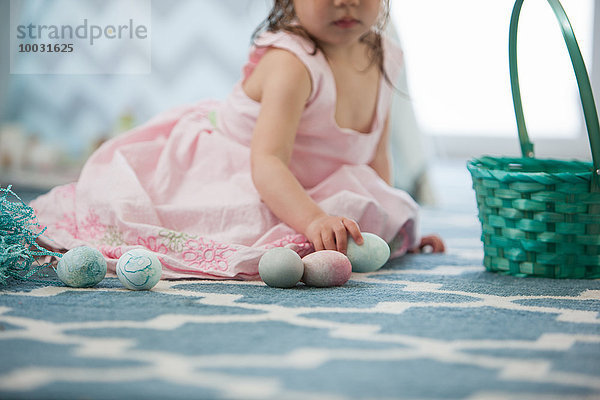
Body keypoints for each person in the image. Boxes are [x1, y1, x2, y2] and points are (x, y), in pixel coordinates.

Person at [30, 0, 444, 280]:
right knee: (223, 228)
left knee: (344, 218)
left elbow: (373, 158)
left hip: (309, 180)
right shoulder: (293, 63)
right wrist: (314, 219)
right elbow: (267, 163)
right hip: (240, 167)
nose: (345, 0)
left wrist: (392, 224)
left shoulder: (385, 55)